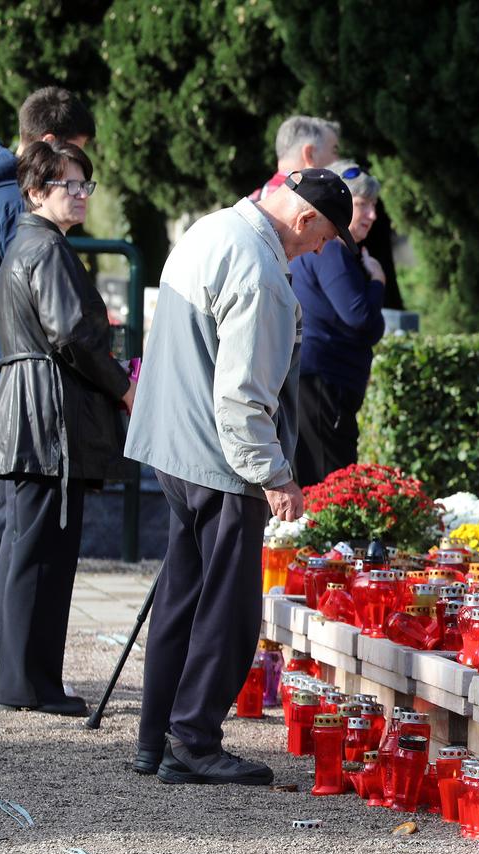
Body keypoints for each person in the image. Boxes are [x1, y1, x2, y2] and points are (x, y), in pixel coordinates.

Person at [125, 169, 357, 785]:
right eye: (326, 238)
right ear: (306, 219)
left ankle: (156, 737)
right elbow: (243, 395)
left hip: (171, 443)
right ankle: (193, 740)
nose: (321, 251)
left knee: (181, 595)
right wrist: (274, 476)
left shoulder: (210, 229)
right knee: (228, 609)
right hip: (219, 456)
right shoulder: (260, 269)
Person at [0, 141, 132, 715]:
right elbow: (71, 334)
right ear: (35, 190)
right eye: (67, 184)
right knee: (42, 551)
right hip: (44, 416)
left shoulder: (33, 244)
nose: (79, 194)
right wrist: (125, 386)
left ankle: (27, 681)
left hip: (31, 410)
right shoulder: (45, 248)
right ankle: (31, 684)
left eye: (83, 184)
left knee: (35, 549)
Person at [0, 87, 95, 675]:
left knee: (10, 526)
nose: (76, 178)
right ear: (49, 145)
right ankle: (6, 657)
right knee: (23, 533)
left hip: (4, 379)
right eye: (74, 157)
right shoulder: (16, 207)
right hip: (29, 384)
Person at [291, 161, 387, 485]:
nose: (371, 215)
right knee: (330, 490)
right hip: (323, 387)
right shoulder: (332, 248)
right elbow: (360, 318)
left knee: (318, 486)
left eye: (373, 205)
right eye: (362, 204)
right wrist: (377, 282)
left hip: (319, 383)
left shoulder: (330, 247)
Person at [250, 115, 339, 200]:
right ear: (310, 155)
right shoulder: (314, 206)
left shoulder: (252, 201)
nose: (338, 159)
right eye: (334, 151)